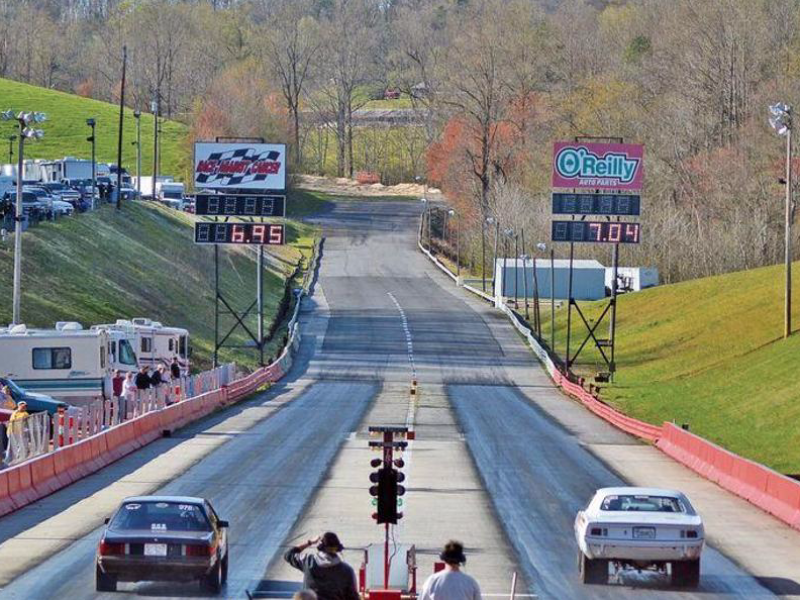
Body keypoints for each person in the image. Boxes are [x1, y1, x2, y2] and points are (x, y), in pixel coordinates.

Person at [284, 532, 359, 600]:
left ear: (320, 547)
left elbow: (289, 554)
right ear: (338, 548)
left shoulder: (308, 561)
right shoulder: (347, 570)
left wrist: (310, 542)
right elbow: (352, 597)